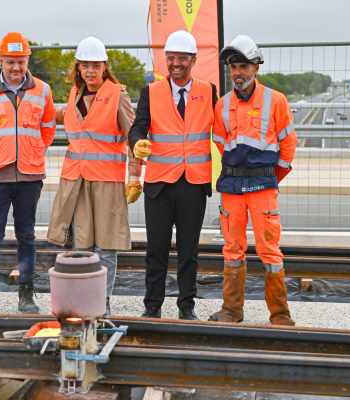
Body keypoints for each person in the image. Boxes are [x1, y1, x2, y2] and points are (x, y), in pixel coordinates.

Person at [46, 37, 141, 317]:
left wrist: (135, 176)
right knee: (82, 247)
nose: (90, 71)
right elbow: (63, 118)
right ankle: (84, 302)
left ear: (104, 67)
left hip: (108, 183)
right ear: (78, 67)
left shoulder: (117, 94)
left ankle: (103, 301)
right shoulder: (75, 95)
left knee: (107, 247)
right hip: (77, 182)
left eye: (95, 65)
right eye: (85, 65)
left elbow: (133, 137)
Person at [0, 32, 56, 314]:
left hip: (29, 177)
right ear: (1, 60)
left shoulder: (42, 90)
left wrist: (31, 149)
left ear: (27, 60)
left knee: (26, 237)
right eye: (11, 62)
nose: (17, 68)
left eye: (21, 62)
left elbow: (48, 129)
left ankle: (26, 297)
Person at [209, 35, 298, 326]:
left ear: (256, 67)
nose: (238, 72)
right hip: (232, 189)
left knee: (269, 250)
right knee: (232, 250)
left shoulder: (276, 101)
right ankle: (231, 311)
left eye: (244, 65)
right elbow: (222, 147)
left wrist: (271, 179)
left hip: (263, 189)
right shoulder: (221, 106)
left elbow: (288, 149)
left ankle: (280, 314)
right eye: (233, 66)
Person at [128, 31, 217, 320]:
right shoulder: (150, 92)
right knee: (156, 249)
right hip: (159, 184)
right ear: (165, 59)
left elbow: (224, 129)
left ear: (193, 60)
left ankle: (186, 306)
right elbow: (137, 128)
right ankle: (152, 305)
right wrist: (136, 142)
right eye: (171, 57)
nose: (175, 63)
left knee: (189, 251)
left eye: (181, 58)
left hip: (194, 183)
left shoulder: (209, 91)